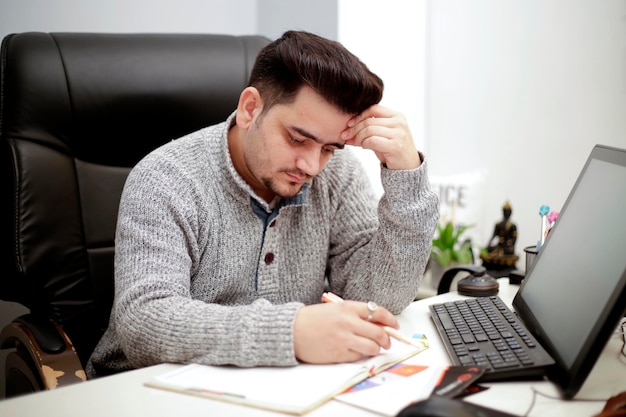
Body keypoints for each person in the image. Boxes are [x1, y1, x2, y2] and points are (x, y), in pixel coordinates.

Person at [86, 30, 439, 378]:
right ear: (250, 109)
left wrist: (406, 175)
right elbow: (144, 323)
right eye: (297, 139)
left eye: (329, 148)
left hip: (275, 384)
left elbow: (377, 297)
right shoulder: (165, 178)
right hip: (141, 388)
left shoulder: (337, 174)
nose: (311, 166)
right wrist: (290, 332)